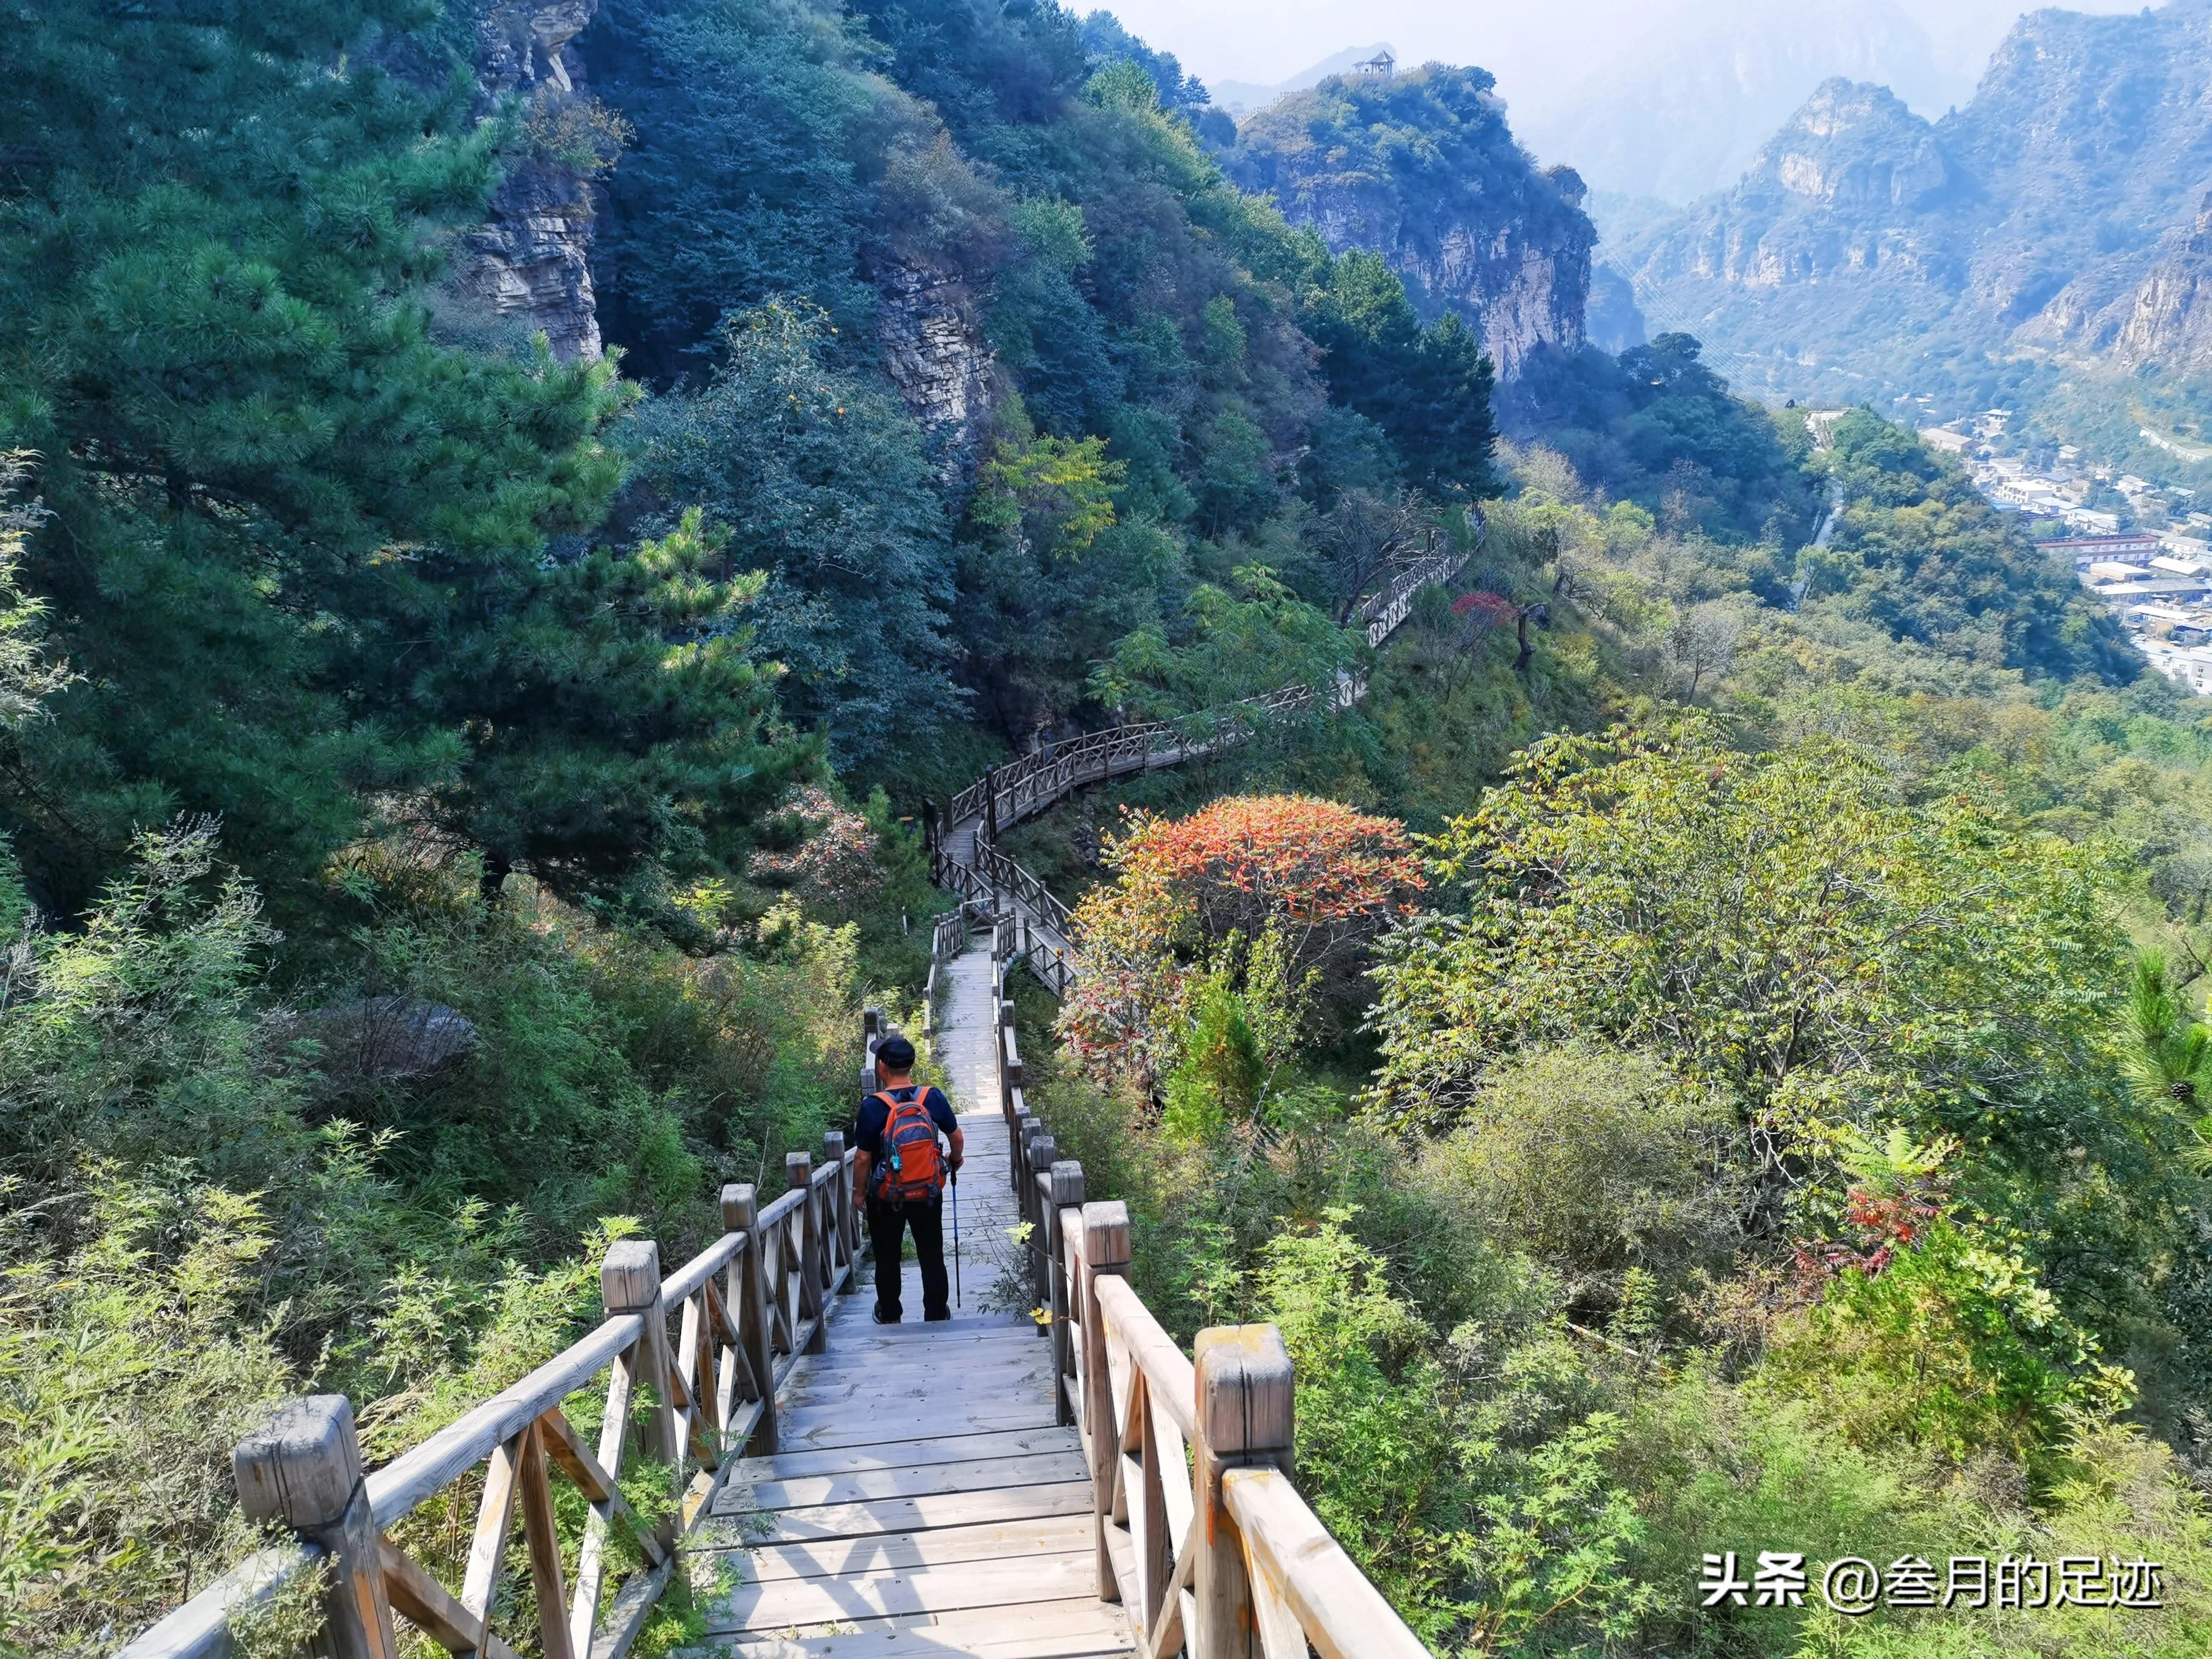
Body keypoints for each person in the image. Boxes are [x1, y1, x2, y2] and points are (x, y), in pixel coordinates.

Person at [851, 1034, 963, 1324]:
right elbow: (956, 1137)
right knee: (931, 1252)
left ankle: (890, 1313)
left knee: (888, 1256)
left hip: (886, 1195)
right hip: (927, 1191)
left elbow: (863, 1158)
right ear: (911, 1065)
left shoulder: (872, 1106)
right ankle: (937, 1312)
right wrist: (954, 1160)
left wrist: (859, 1194)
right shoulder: (932, 1097)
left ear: (882, 1068)